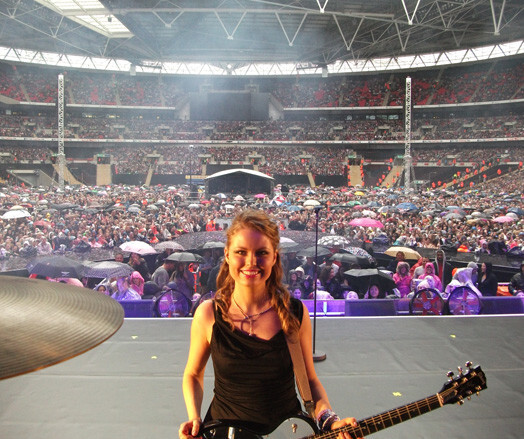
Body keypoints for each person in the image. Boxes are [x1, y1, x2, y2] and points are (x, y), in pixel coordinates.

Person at [179, 209, 361, 439]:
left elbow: (310, 382)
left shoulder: (294, 313)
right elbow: (193, 374)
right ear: (227, 255)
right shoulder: (208, 315)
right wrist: (194, 416)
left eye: (261, 252)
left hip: (289, 433)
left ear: (275, 256)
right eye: (241, 252)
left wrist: (330, 421)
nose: (251, 262)